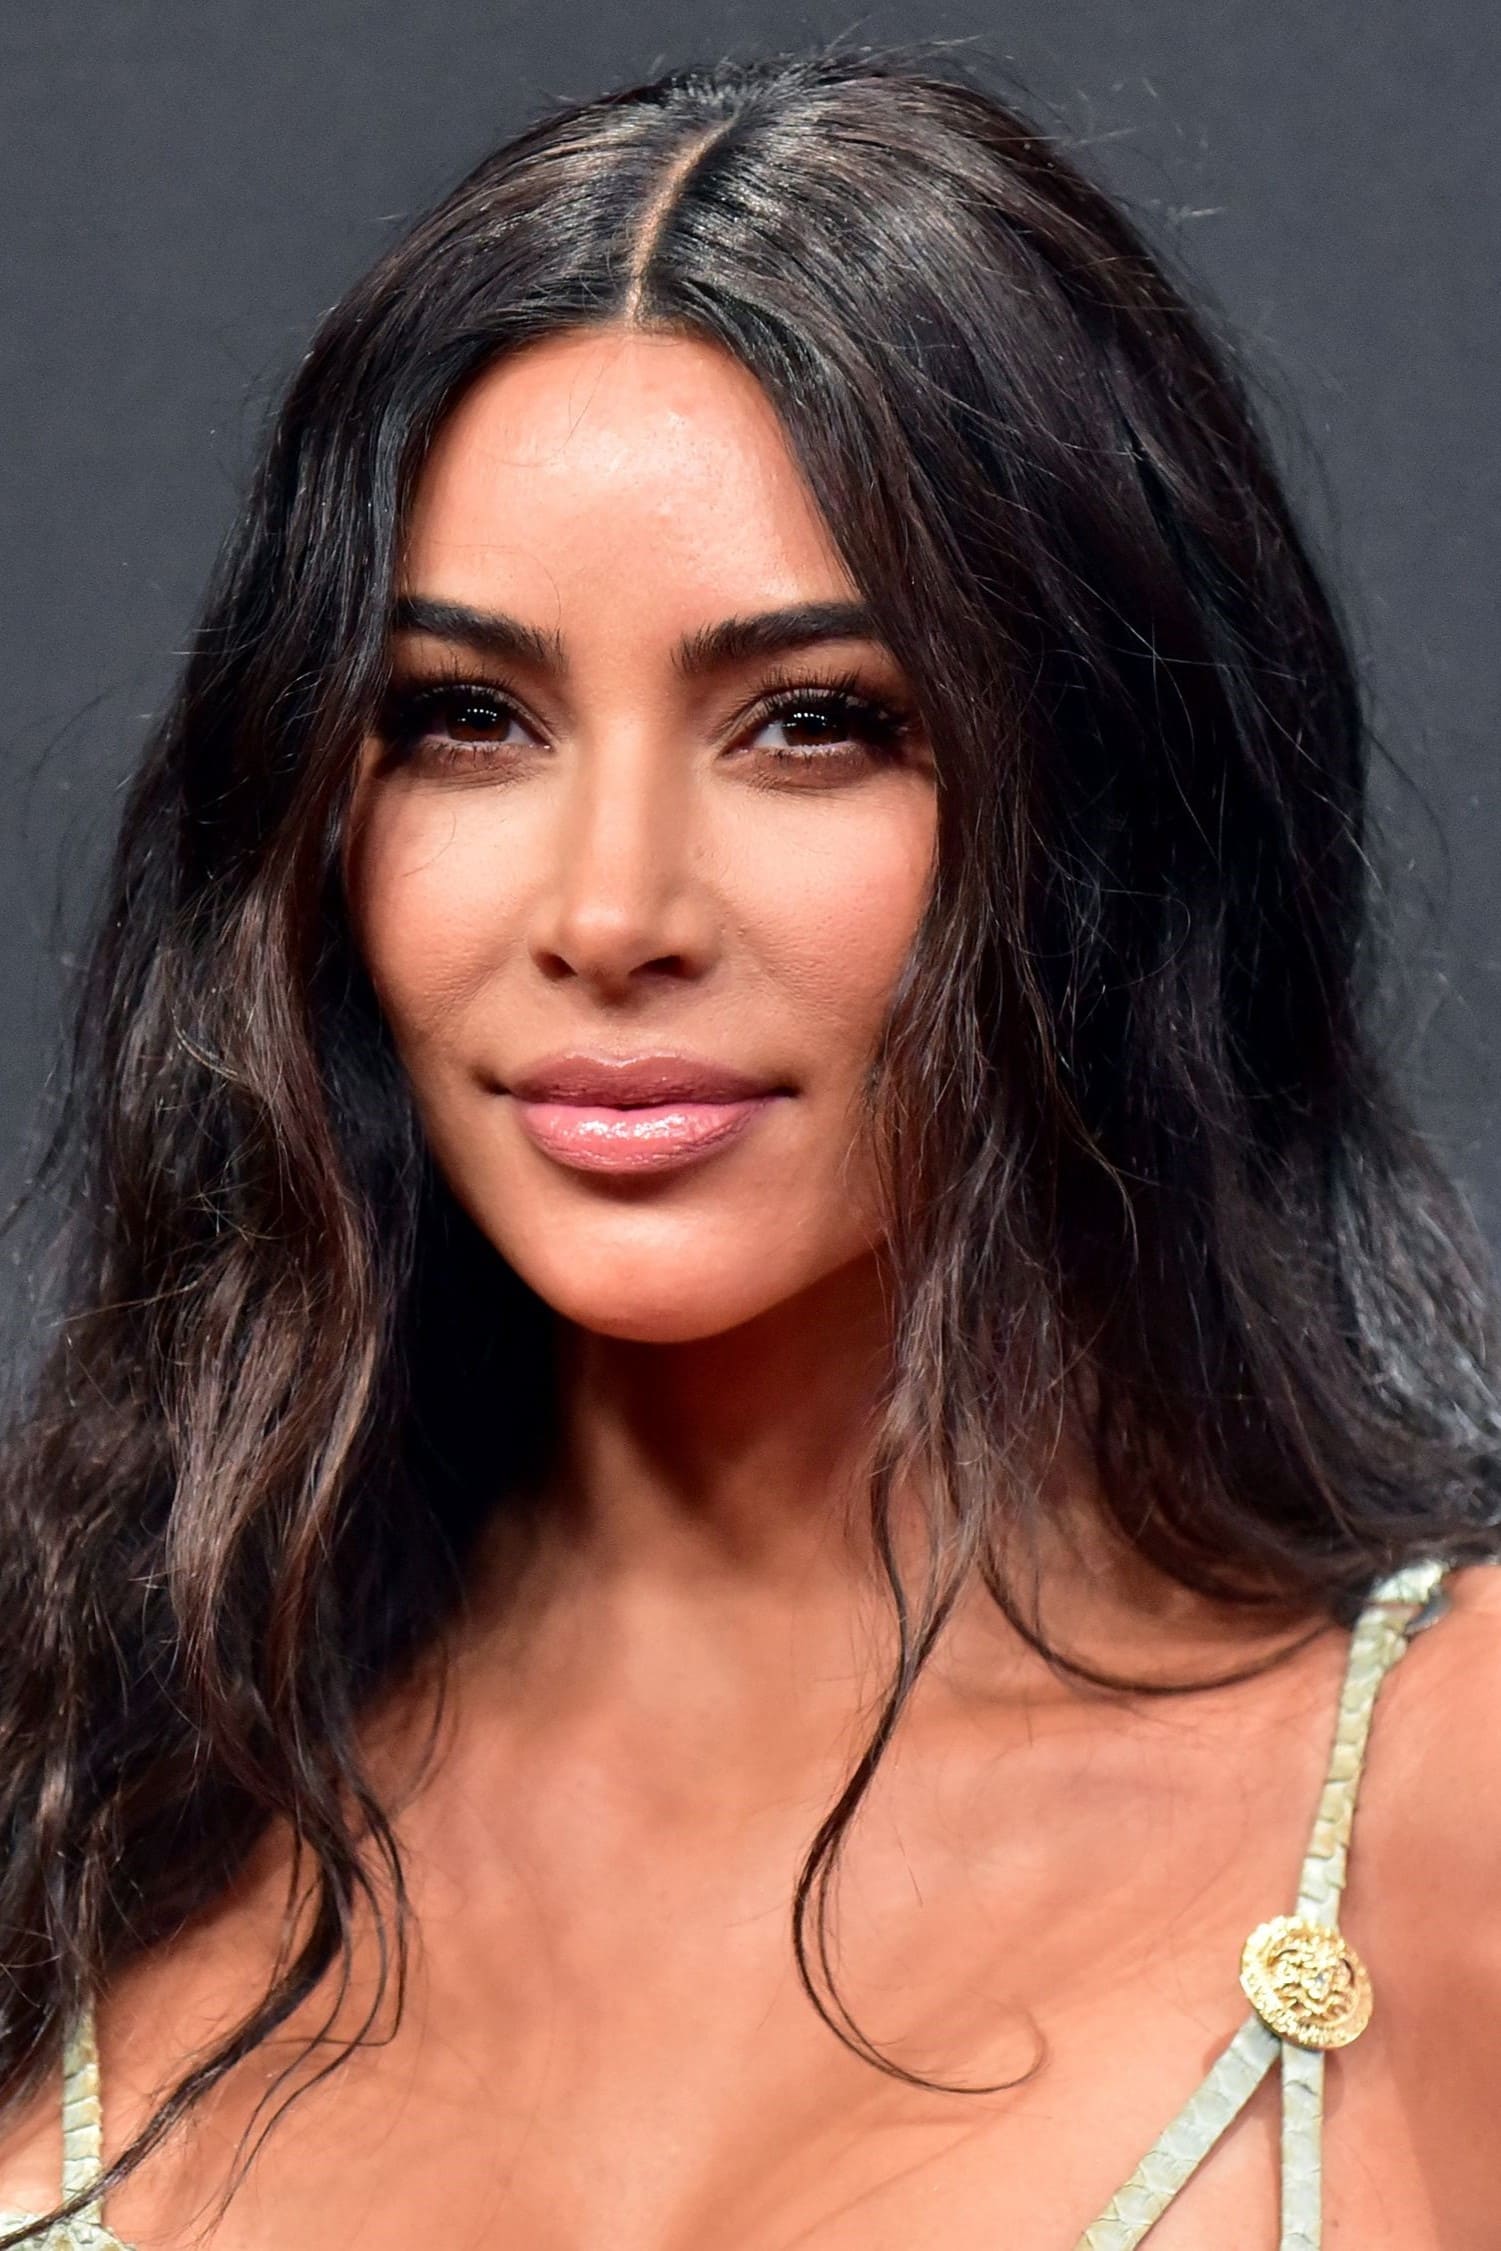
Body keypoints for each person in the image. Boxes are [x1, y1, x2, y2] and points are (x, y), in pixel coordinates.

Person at [0, 40, 1496, 2251]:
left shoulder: (1451, 1791)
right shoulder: (84, 1764)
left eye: (815, 723)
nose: (610, 913)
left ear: (1108, 809)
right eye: (466, 720)